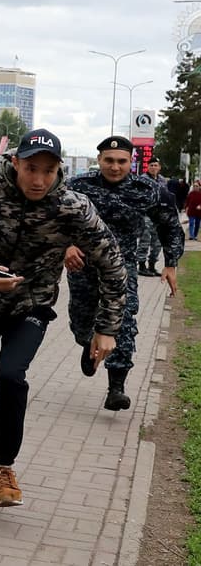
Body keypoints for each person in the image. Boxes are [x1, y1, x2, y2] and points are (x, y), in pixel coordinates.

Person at [0, 128, 126, 507]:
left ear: (59, 170)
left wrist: (106, 328)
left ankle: (4, 467)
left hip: (29, 306)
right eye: (31, 168)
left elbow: (112, 264)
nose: (39, 180)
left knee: (11, 376)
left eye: (48, 171)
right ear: (15, 162)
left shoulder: (73, 207)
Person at [65, 136, 183, 410]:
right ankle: (88, 342)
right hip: (83, 265)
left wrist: (170, 263)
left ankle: (116, 387)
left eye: (122, 161)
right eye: (109, 160)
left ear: (131, 162)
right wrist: (66, 246)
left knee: (124, 321)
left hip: (123, 268)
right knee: (82, 321)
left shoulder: (146, 190)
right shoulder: (78, 186)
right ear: (99, 160)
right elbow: (55, 217)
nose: (115, 167)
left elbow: (169, 224)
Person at [137, 157, 172, 276]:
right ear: (147, 167)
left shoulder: (162, 180)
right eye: (151, 165)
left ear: (159, 167)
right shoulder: (142, 179)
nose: (153, 167)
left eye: (155, 165)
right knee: (145, 240)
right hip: (146, 214)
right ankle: (142, 265)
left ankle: (152, 266)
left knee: (157, 242)